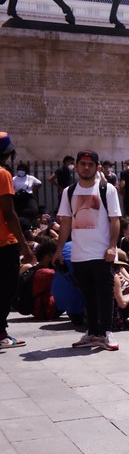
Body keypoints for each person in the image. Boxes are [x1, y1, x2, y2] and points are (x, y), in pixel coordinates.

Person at [55, 151, 122, 351]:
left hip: (102, 252)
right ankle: (92, 332)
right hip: (78, 253)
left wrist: (112, 246)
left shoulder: (107, 189)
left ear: (96, 167)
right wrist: (59, 249)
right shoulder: (68, 191)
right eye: (82, 164)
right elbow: (66, 222)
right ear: (76, 166)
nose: (86, 168)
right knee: (88, 295)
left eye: (90, 164)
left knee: (105, 294)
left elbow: (115, 219)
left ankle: (107, 332)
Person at [0, 133, 34, 349]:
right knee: (6, 289)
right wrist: (25, 247)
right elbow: (9, 214)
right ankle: (1, 334)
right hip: (4, 243)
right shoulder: (3, 175)